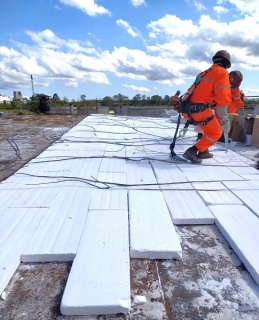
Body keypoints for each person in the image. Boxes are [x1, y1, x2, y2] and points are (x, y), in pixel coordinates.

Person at [180, 50, 232, 164]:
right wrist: (224, 119)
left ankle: (203, 151)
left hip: (189, 110)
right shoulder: (221, 72)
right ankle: (193, 151)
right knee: (216, 132)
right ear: (226, 63)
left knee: (208, 130)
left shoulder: (203, 73)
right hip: (200, 111)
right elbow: (222, 97)